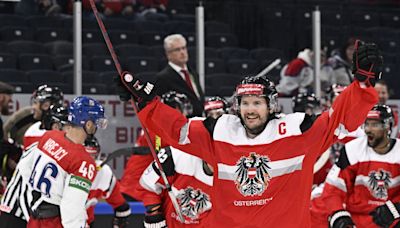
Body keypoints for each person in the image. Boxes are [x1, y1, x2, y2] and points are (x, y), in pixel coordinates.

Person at [115, 40, 383, 227]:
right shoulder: (221, 133)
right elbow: (178, 130)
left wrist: (362, 84)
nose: (250, 110)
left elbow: (340, 122)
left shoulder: (297, 132)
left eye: (257, 103)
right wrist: (147, 102)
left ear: (271, 105)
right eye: (245, 103)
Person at [15, 96, 106, 228]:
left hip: (34, 219)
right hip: (55, 222)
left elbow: (24, 167)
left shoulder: (48, 136)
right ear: (88, 124)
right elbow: (71, 209)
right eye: (96, 122)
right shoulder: (84, 161)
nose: (97, 126)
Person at [313, 105, 400, 228]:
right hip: (357, 220)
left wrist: (396, 208)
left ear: (388, 126)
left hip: (392, 220)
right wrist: (339, 215)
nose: (368, 130)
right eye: (367, 124)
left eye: (374, 125)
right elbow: (333, 189)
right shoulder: (352, 150)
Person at [0, 104, 68, 228]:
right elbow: (24, 191)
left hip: (26, 214)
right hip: (15, 213)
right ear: (56, 127)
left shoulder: (54, 150)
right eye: (68, 127)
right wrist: (33, 221)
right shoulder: (40, 150)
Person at [119, 90, 193, 201]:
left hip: (133, 186)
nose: (184, 115)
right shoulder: (162, 129)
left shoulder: (156, 124)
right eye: (182, 110)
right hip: (139, 190)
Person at [135, 146, 213, 228]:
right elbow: (148, 184)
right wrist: (154, 215)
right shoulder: (178, 156)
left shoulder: (226, 179)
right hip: (168, 221)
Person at [84, 136, 131, 228]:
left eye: (92, 156)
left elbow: (121, 208)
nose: (89, 161)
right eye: (85, 156)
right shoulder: (64, 169)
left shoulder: (103, 173)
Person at [155, 34, 204, 117]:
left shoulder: (193, 73)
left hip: (199, 122)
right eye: (177, 50)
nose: (182, 52)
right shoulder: (163, 78)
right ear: (168, 54)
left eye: (184, 48)